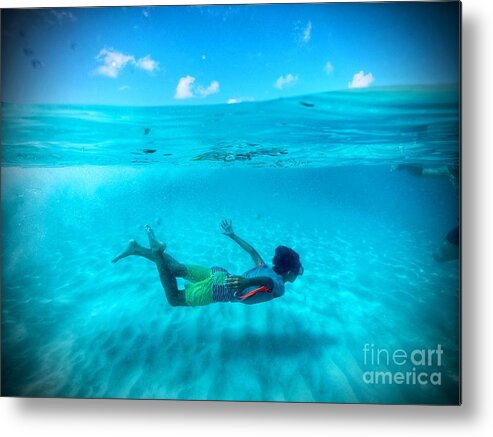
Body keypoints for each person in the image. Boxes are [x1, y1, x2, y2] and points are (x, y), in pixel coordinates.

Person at [112, 220, 303, 307]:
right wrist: (245, 283)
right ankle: (156, 250)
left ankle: (136, 248)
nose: (297, 275)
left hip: (220, 274)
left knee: (174, 268)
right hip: (220, 291)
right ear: (289, 273)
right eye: (297, 272)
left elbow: (253, 252)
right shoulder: (279, 285)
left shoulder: (265, 267)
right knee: (174, 299)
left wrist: (232, 235)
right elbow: (268, 283)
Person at [392, 162, 459, 262]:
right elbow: (423, 172)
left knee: (441, 255)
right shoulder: (453, 169)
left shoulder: (454, 170)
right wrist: (405, 165)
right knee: (440, 256)